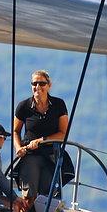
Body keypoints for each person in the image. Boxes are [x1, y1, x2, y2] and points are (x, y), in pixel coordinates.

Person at [13, 70, 69, 202]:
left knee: (46, 197)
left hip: (51, 155)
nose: (38, 87)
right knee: (29, 197)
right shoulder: (23, 106)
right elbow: (16, 131)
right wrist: (18, 147)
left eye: (42, 83)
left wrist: (42, 140)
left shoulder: (58, 105)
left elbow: (63, 134)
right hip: (31, 154)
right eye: (34, 83)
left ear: (49, 85)